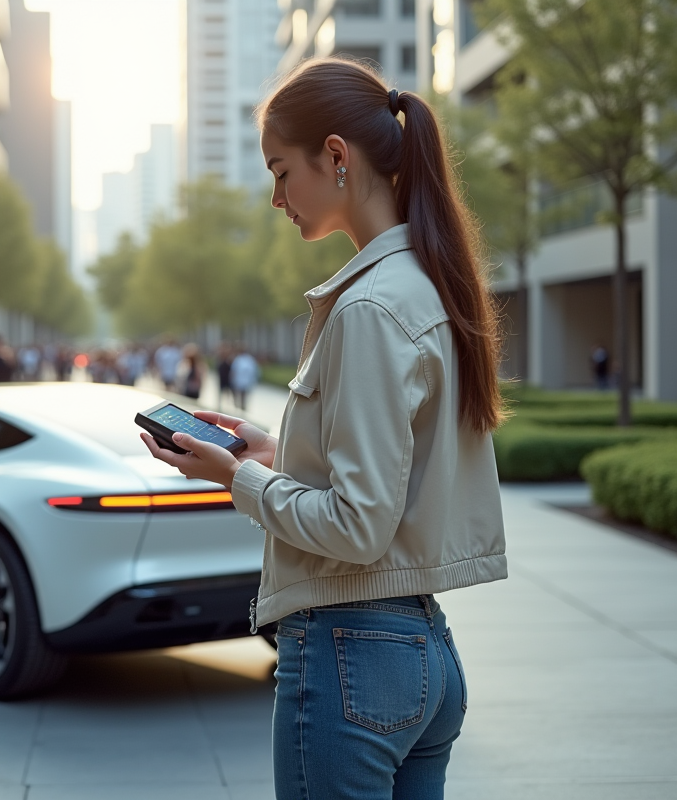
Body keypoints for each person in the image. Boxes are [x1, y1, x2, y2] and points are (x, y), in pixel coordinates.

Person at [141, 59, 507, 799]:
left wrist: (236, 478)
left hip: (352, 656)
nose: (276, 197)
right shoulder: (427, 283)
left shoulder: (370, 307)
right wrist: (276, 453)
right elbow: (391, 477)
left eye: (281, 172)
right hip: (421, 650)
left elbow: (358, 525)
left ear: (336, 156)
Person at [229, 345, 260, 411]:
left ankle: (241, 407)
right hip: (241, 381)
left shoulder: (243, 359)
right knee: (240, 395)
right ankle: (240, 407)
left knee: (242, 395)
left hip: (243, 381)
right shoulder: (245, 359)